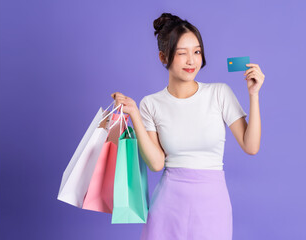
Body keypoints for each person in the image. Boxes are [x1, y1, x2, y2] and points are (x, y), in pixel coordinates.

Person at [111, 12, 264, 240]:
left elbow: (251, 146)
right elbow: (155, 163)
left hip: (213, 207)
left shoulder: (220, 93)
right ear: (164, 57)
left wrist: (253, 95)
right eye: (182, 53)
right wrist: (133, 113)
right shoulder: (151, 103)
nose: (192, 61)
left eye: (197, 52)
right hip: (168, 207)